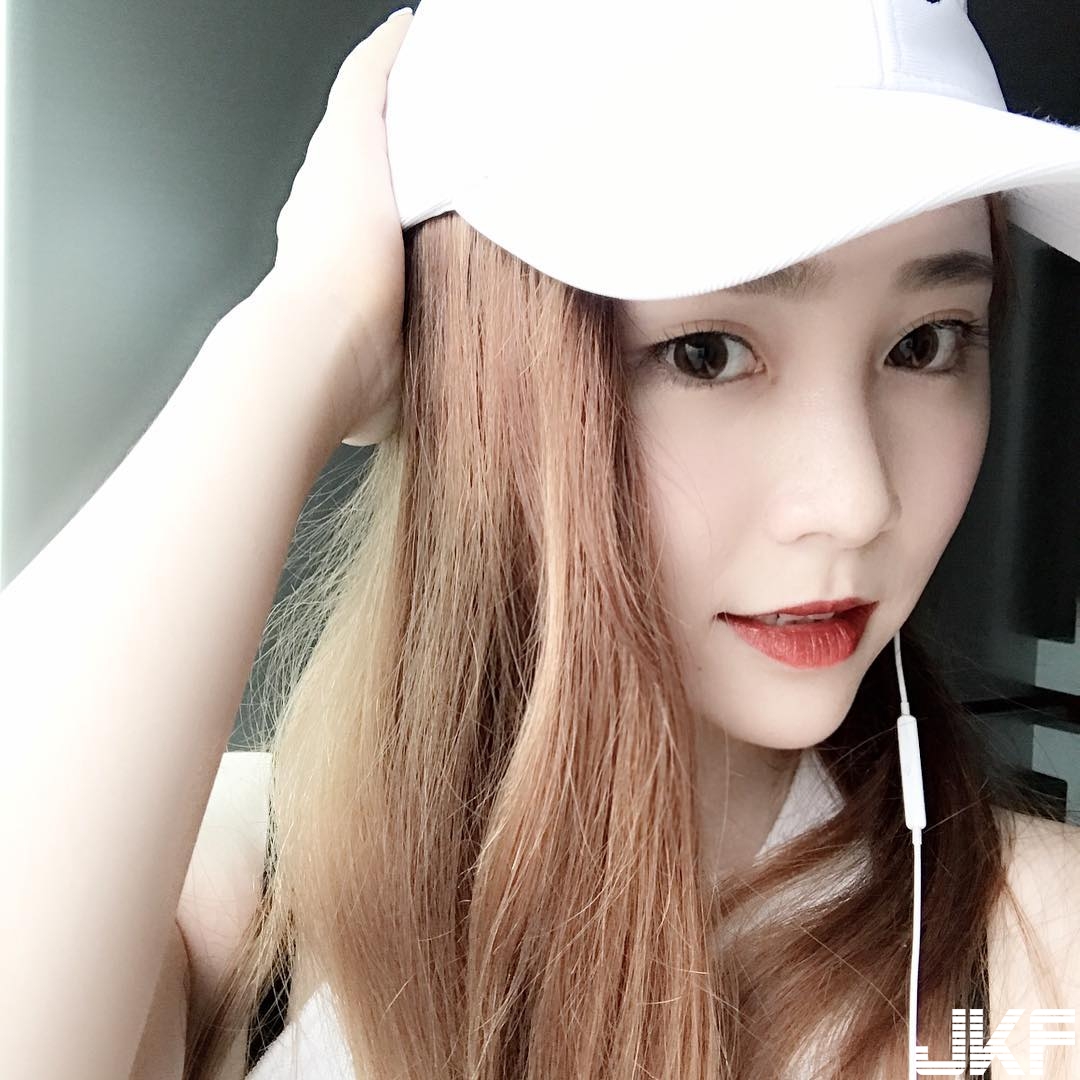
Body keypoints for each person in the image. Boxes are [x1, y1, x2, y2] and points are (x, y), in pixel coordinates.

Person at [2, 2, 1079, 1079]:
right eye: (705, 353)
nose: (856, 502)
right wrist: (303, 332)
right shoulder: (246, 903)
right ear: (482, 369)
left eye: (927, 343)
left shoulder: (1031, 960)